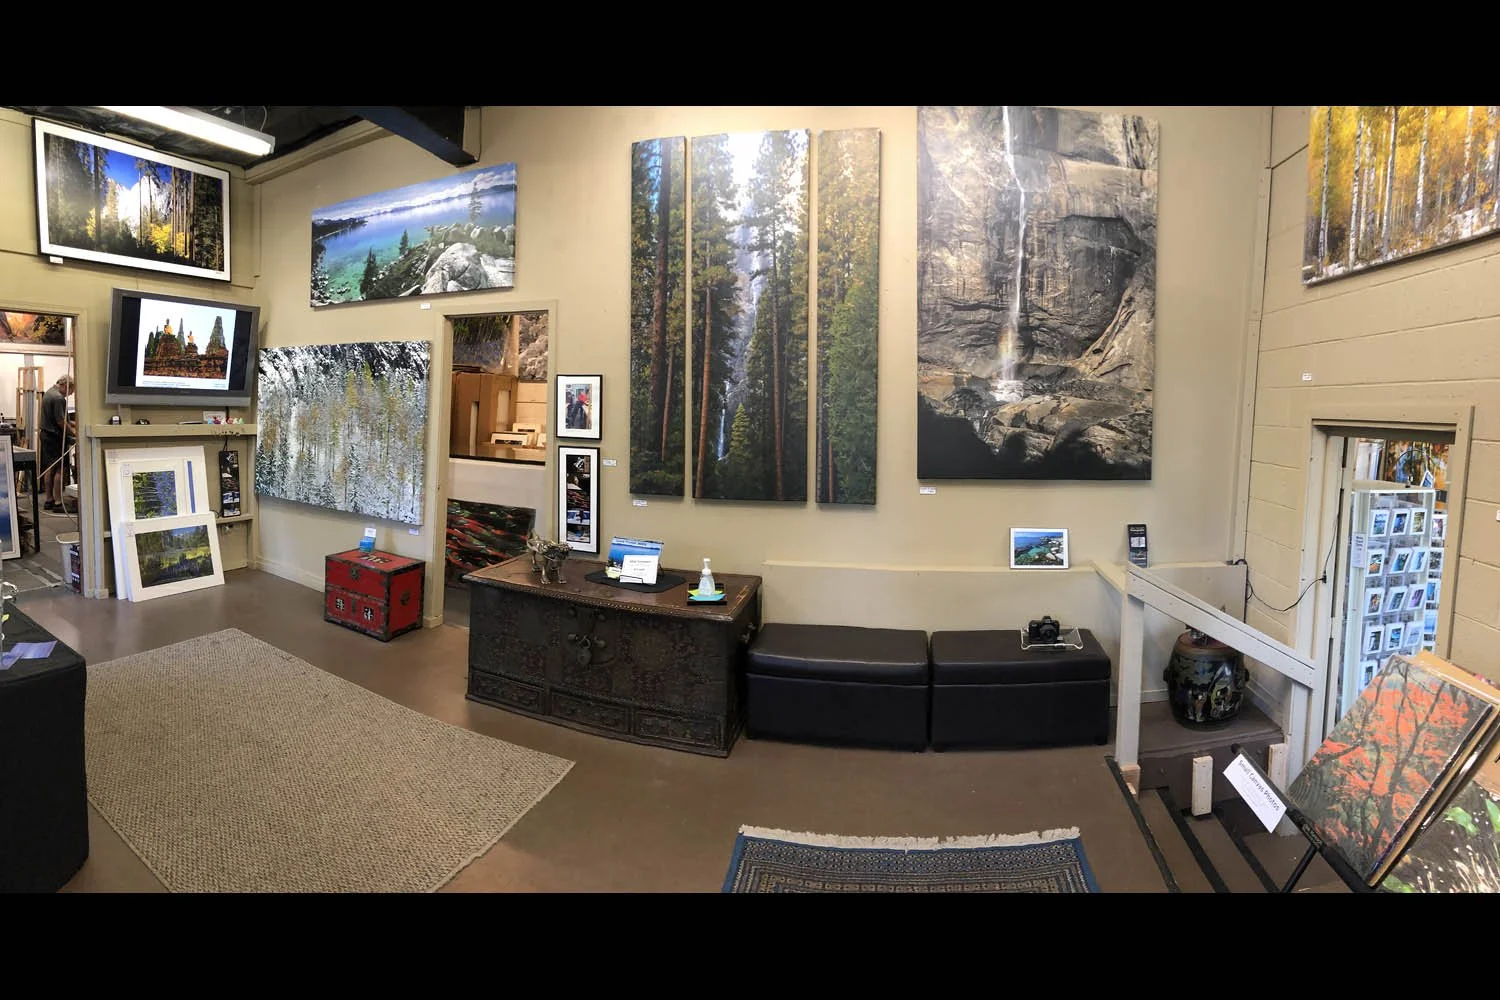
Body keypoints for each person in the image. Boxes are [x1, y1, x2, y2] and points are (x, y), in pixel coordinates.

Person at [41, 374, 76, 512]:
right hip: (55, 437)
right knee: (60, 469)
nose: (70, 394)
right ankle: (57, 502)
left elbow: (61, 418)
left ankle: (48, 500)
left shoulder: (48, 393)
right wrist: (74, 434)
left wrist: (74, 423)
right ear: (66, 385)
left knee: (49, 468)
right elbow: (61, 421)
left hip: (46, 435)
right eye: (71, 390)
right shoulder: (58, 398)